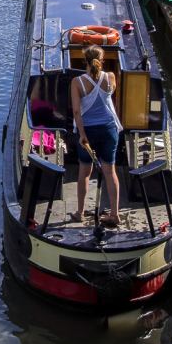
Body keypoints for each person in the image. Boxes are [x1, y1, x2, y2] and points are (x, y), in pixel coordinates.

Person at [70, 45, 122, 227]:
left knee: (84, 172)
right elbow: (109, 97)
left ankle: (80, 213)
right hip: (109, 129)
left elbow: (77, 111)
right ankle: (114, 214)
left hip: (89, 131)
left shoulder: (77, 82)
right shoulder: (111, 77)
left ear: (84, 60)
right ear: (101, 60)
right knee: (110, 171)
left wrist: (82, 135)